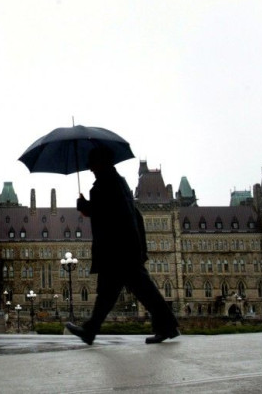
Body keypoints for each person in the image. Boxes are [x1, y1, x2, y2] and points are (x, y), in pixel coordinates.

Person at [66, 146, 179, 345]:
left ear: (101, 162)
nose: (90, 168)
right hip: (126, 248)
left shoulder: (107, 183)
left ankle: (90, 330)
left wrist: (86, 207)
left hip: (118, 250)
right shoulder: (117, 182)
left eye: (92, 164)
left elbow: (109, 215)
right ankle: (91, 330)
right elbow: (119, 213)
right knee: (116, 293)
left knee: (125, 292)